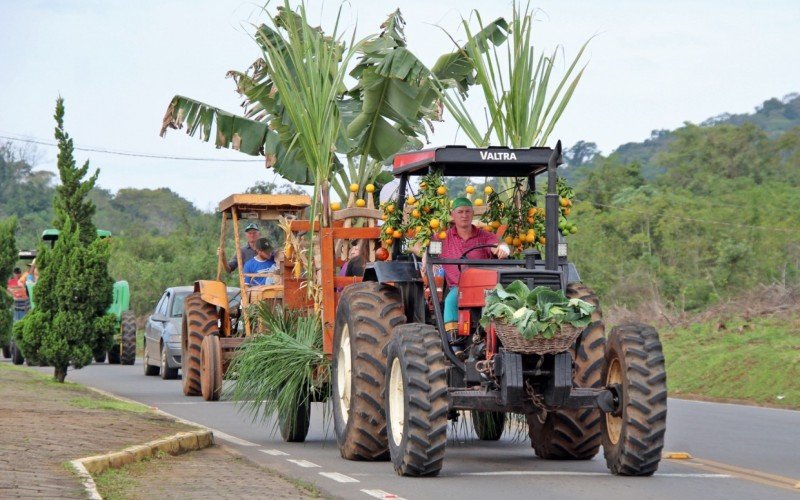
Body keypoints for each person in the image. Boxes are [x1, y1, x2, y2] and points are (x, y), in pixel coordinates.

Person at [438, 197, 510, 336]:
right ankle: (454, 344)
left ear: (472, 214)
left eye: (467, 211)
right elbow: (423, 246)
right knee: (451, 299)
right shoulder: (443, 237)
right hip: (459, 287)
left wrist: (502, 249)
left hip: (485, 286)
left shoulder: (485, 236)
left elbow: (497, 246)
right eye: (460, 212)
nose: (464, 215)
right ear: (453, 215)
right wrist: (424, 254)